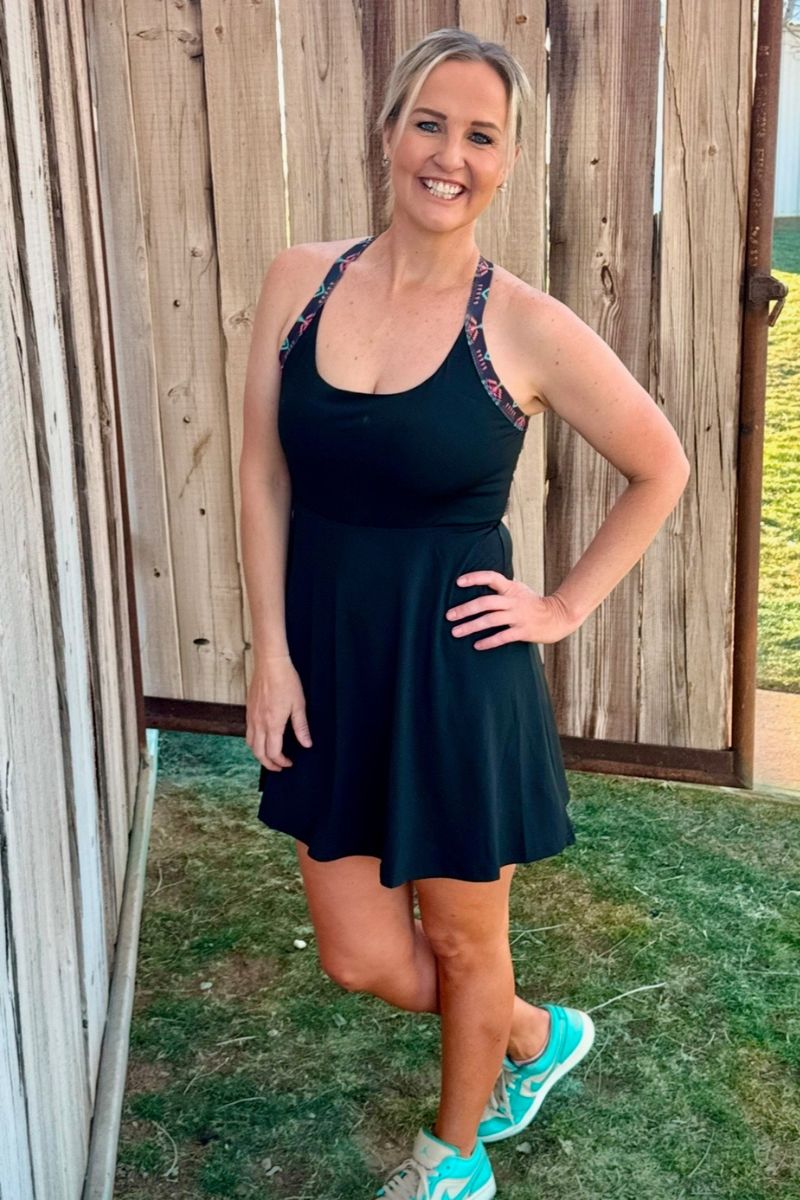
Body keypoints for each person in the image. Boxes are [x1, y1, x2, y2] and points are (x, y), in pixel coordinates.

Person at [239, 27, 690, 1200]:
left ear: (506, 160)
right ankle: (533, 1034)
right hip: (328, 662)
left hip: (453, 672)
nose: (449, 155)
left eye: (479, 136)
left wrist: (561, 606)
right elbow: (263, 473)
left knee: (459, 939)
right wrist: (270, 653)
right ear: (388, 132)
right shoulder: (300, 281)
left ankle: (454, 1158)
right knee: (358, 954)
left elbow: (660, 465)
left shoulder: (523, 324)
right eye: (428, 124)